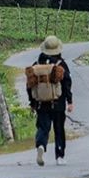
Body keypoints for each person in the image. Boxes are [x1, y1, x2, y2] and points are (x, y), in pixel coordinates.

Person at [27, 34, 72, 165]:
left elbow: (30, 85)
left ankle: (41, 145)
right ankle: (59, 156)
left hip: (41, 104)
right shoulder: (61, 65)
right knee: (59, 129)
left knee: (43, 127)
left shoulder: (36, 65)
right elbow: (67, 83)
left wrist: (32, 102)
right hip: (58, 103)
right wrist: (70, 101)